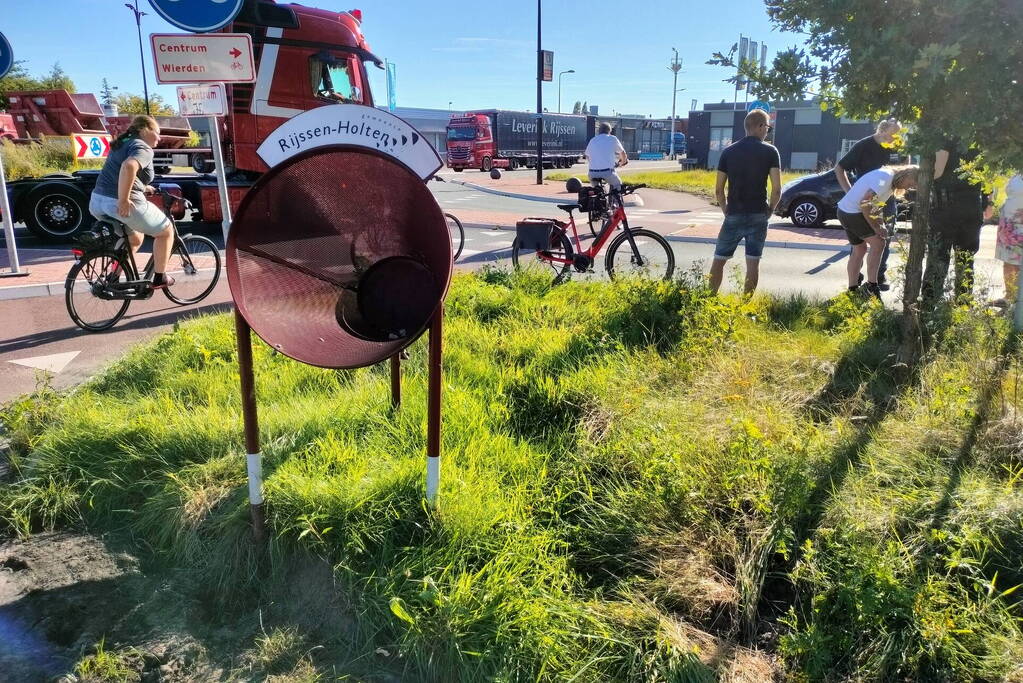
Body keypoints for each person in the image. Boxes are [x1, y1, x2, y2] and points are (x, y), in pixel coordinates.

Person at [89, 115, 175, 287]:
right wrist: (124, 199)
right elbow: (128, 167)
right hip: (117, 203)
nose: (160, 137)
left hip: (97, 202)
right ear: (145, 130)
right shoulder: (142, 147)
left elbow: (118, 173)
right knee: (166, 232)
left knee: (134, 238)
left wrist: (143, 187)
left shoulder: (122, 144)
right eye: (157, 133)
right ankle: (160, 278)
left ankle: (113, 278)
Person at [708, 108, 781, 295]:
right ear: (759, 126)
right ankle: (745, 306)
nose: (767, 132)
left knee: (719, 260)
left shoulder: (728, 152)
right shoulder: (771, 151)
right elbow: (777, 189)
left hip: (734, 213)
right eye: (767, 128)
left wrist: (726, 209)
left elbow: (718, 190)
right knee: (753, 263)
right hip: (758, 214)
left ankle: (709, 300)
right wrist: (770, 210)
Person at [922, 139, 991, 305]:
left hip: (947, 205)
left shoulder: (946, 136)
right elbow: (988, 175)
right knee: (966, 258)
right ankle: (963, 303)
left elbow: (937, 172)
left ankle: (930, 303)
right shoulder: (981, 138)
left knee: (939, 256)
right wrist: (989, 201)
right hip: (973, 205)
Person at [834, 118, 901, 290]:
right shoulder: (864, 145)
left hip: (887, 199)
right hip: (865, 200)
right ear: (882, 131)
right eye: (894, 134)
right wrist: (850, 193)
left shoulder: (898, 146)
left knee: (883, 237)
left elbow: (902, 170)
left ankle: (878, 276)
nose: (896, 139)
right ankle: (857, 279)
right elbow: (839, 168)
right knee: (862, 243)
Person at [837, 166, 919, 298]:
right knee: (879, 244)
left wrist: (881, 224)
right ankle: (872, 286)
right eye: (909, 184)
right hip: (853, 213)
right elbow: (866, 203)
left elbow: (875, 204)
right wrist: (877, 227)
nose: (907, 188)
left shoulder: (890, 179)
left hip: (845, 211)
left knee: (860, 249)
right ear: (906, 175)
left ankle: (852, 289)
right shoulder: (885, 179)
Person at [994, 173, 1023, 305]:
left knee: (1018, 263)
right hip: (1009, 224)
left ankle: (1019, 300)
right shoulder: (1017, 172)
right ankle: (1009, 297)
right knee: (1008, 261)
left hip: (1020, 225)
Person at [585, 122, 628, 190]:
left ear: (599, 131)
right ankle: (615, 199)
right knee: (618, 184)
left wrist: (595, 163)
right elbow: (623, 153)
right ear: (609, 131)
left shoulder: (593, 140)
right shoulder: (613, 138)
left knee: (596, 189)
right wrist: (622, 163)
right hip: (607, 172)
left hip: (592, 173)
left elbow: (587, 155)